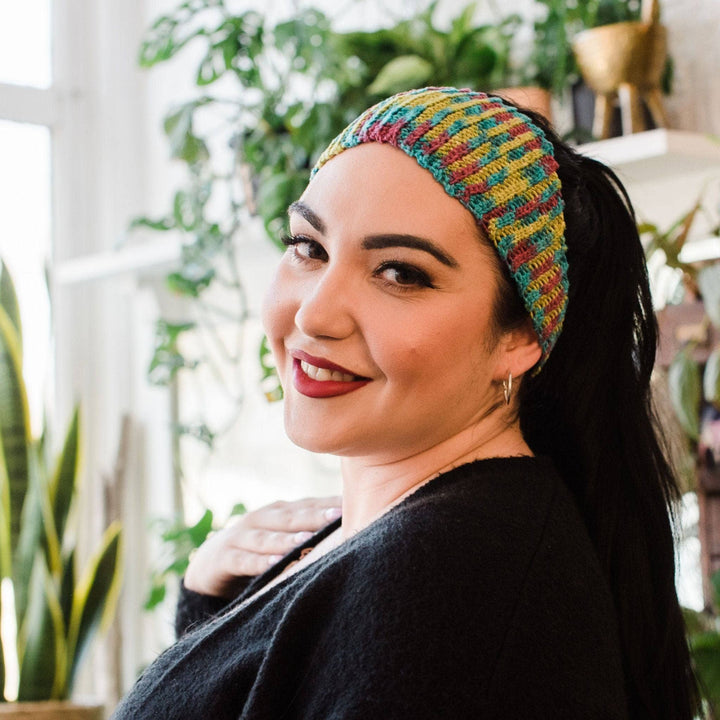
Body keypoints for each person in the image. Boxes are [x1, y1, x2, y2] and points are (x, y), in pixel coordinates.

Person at [112, 87, 700, 719]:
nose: (314, 313)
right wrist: (211, 605)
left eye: (400, 273)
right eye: (308, 246)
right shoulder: (400, 539)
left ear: (521, 334)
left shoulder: (452, 581)